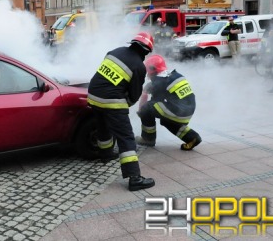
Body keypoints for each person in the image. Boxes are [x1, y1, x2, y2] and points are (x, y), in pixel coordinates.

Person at [87, 32, 156, 191]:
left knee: (103, 125)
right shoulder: (139, 66)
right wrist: (126, 105)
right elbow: (134, 94)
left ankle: (105, 154)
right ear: (145, 51)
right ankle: (134, 178)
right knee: (126, 137)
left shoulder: (114, 51)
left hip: (93, 95)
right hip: (112, 101)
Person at [136, 55, 202, 151]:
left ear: (152, 70)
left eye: (148, 72)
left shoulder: (159, 82)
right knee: (166, 119)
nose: (147, 75)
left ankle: (148, 139)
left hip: (180, 111)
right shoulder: (175, 75)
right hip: (188, 110)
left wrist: (141, 111)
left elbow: (154, 103)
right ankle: (192, 137)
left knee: (147, 108)